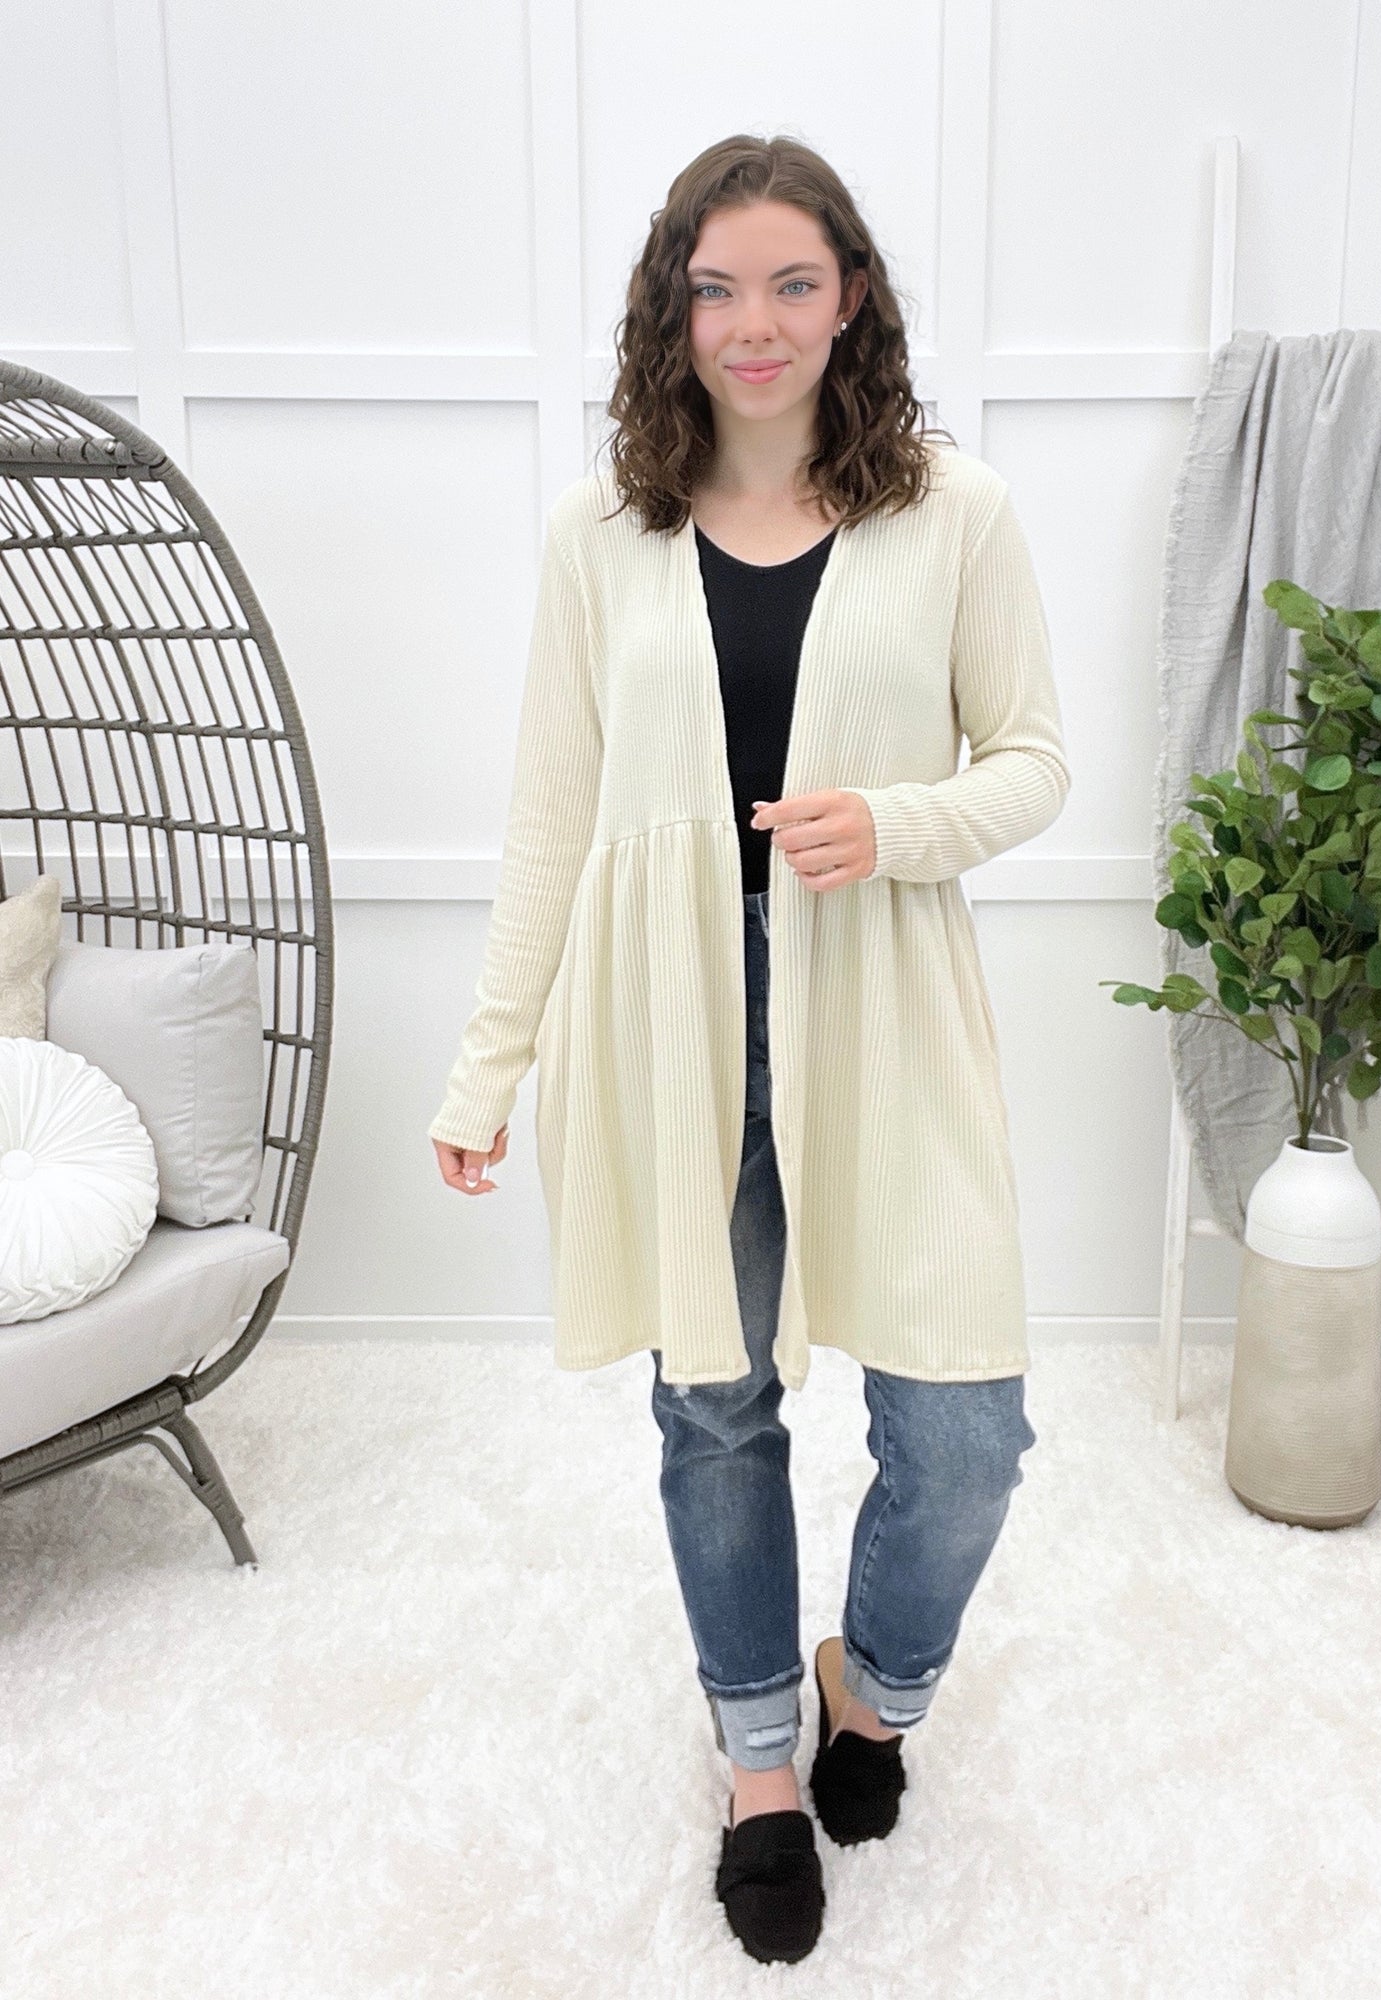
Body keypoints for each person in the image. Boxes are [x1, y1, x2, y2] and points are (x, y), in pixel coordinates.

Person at [429, 134, 1068, 1967]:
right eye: (716, 288)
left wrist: (900, 822)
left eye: (793, 281)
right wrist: (487, 1066)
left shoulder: (956, 510)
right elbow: (552, 820)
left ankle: (875, 1684)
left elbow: (1036, 762)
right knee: (714, 1405)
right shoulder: (601, 531)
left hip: (885, 1009)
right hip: (669, 1023)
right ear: (674, 308)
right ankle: (762, 1762)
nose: (756, 323)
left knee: (967, 1432)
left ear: (850, 293)